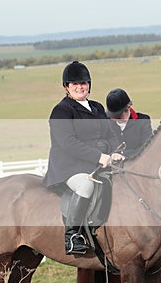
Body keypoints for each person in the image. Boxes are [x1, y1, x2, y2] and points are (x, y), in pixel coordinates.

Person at [43, 61, 123, 255]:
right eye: (74, 84)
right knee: (85, 186)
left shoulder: (96, 107)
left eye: (83, 83)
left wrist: (114, 152)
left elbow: (110, 133)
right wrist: (99, 157)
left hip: (99, 162)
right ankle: (72, 236)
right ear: (67, 87)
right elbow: (68, 143)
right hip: (70, 166)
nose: (80, 87)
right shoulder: (61, 111)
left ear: (89, 85)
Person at [105, 87, 152, 158]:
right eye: (113, 116)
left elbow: (147, 149)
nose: (116, 119)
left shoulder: (143, 121)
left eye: (119, 116)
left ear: (128, 107)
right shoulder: (106, 122)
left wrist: (123, 154)